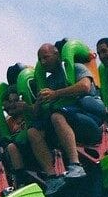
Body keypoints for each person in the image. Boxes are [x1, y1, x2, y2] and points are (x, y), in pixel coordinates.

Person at [24, 42, 103, 178]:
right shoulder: (47, 82)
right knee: (33, 132)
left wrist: (56, 94)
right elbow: (37, 114)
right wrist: (36, 103)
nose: (43, 62)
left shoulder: (76, 67)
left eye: (46, 57)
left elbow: (85, 86)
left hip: (88, 116)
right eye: (40, 59)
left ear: (57, 55)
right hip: (65, 120)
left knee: (57, 116)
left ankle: (75, 165)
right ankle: (52, 176)